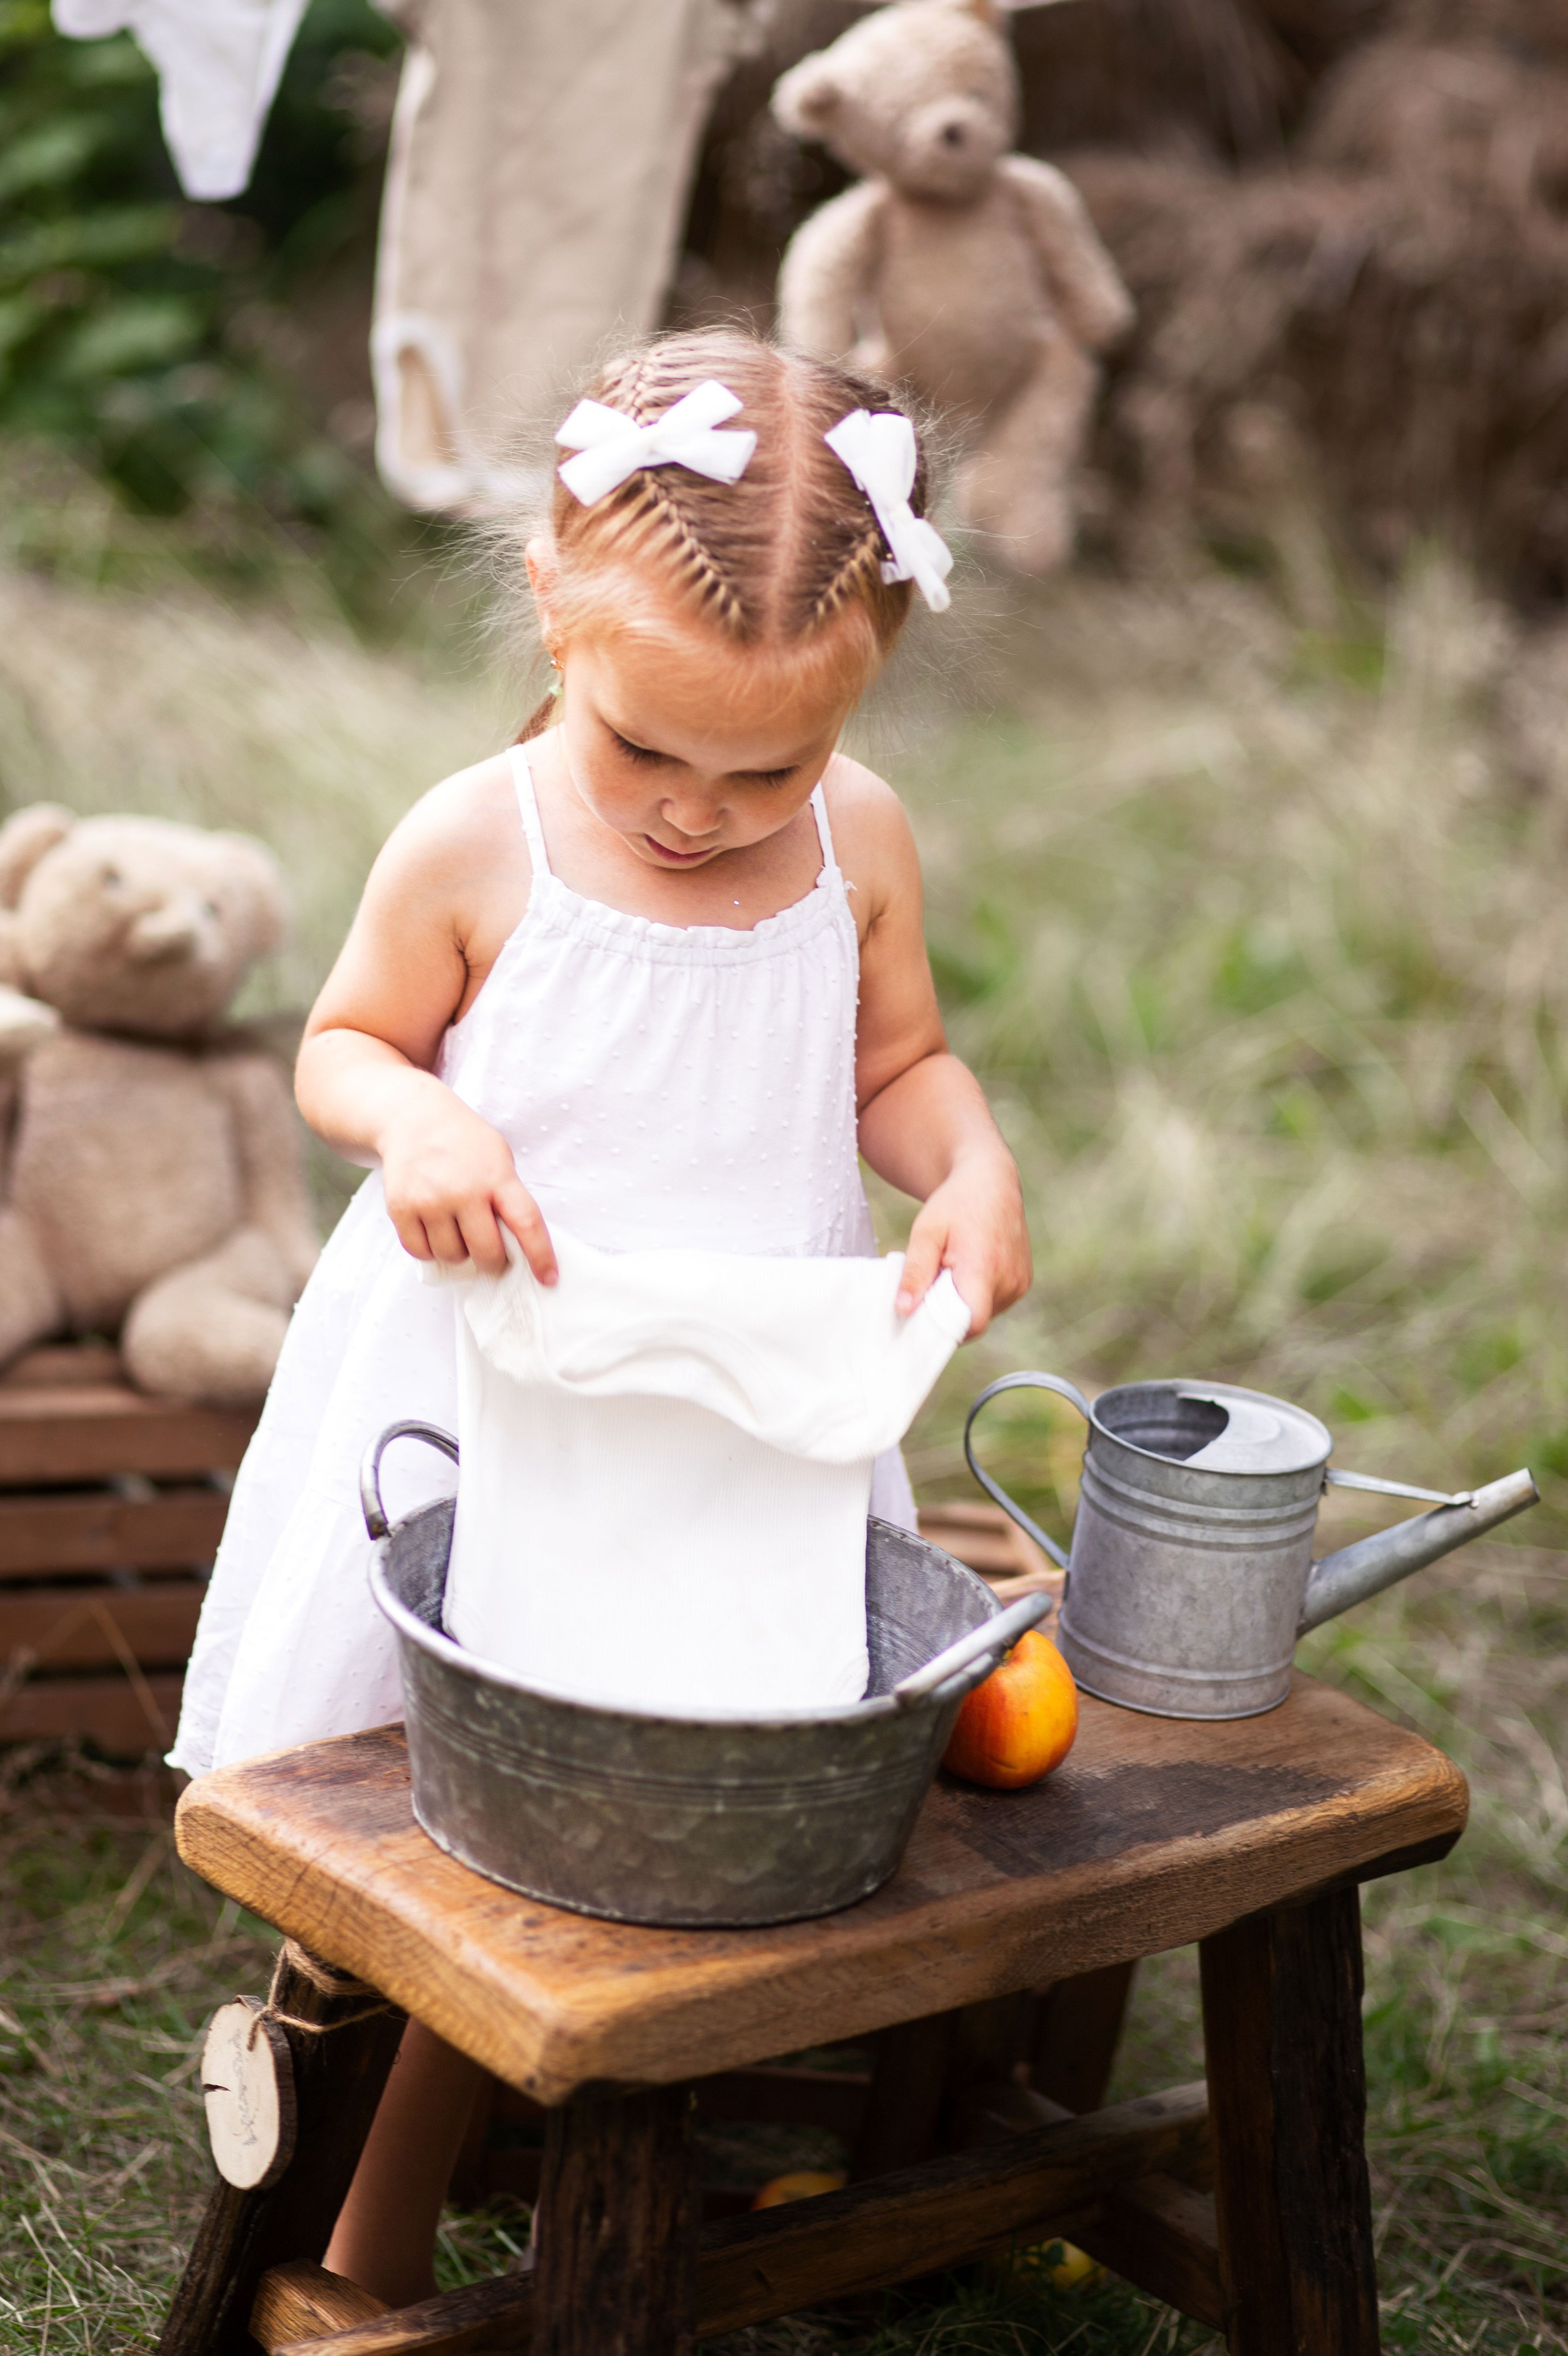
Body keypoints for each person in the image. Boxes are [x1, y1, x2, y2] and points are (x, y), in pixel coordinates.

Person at [170, 326, 1032, 2303]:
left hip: (729, 1410)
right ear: (553, 600)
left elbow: (893, 1064)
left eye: (770, 767)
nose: (699, 815)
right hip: (490, 1371)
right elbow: (344, 1047)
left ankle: (612, 2093)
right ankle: (362, 2151)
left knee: (688, 1790)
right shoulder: (485, 841)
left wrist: (967, 1164)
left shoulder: (859, 842)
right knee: (440, 1788)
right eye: (650, 751)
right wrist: (425, 1117)